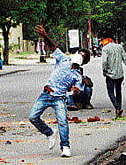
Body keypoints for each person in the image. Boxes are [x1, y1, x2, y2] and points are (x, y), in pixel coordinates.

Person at [28, 25, 91, 157]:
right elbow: (53, 48)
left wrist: (75, 91)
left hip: (59, 98)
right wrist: (45, 36)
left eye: (83, 56)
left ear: (84, 62)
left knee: (62, 121)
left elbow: (77, 89)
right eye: (79, 53)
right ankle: (49, 133)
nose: (79, 56)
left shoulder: (77, 76)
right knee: (33, 117)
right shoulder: (64, 59)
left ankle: (65, 146)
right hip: (46, 94)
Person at [101, 31, 126, 119]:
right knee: (118, 91)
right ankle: (118, 110)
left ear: (105, 39)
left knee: (110, 92)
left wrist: (104, 71)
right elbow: (125, 59)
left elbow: (104, 61)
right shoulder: (119, 47)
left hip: (110, 75)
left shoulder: (105, 48)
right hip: (120, 74)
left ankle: (118, 107)